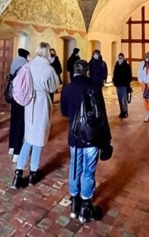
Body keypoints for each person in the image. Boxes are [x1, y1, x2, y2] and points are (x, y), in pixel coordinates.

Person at [61, 60, 111, 223]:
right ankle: (85, 207)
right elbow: (102, 114)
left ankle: (74, 204)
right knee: (88, 171)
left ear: (74, 71)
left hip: (75, 137)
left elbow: (63, 111)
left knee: (75, 167)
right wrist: (106, 139)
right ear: (86, 71)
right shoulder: (94, 88)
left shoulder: (68, 88)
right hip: (92, 137)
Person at [11, 42, 60, 189]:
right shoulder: (49, 69)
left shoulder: (29, 65)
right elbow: (53, 87)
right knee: (38, 139)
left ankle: (18, 174)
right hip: (42, 103)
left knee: (28, 139)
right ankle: (33, 173)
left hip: (30, 103)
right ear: (48, 53)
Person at [8, 48, 30, 163]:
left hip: (14, 96)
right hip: (21, 98)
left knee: (13, 122)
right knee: (20, 124)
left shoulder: (14, 62)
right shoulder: (25, 65)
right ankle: (17, 151)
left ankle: (11, 147)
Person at [112, 53, 132, 118]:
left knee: (125, 99)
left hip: (124, 85)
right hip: (118, 85)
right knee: (120, 99)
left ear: (123, 58)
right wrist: (114, 81)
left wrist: (127, 83)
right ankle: (121, 110)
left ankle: (125, 111)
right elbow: (114, 74)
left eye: (121, 57)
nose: (120, 59)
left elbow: (129, 76)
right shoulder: (116, 65)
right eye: (119, 57)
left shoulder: (127, 66)